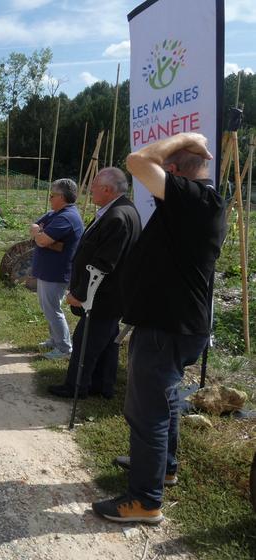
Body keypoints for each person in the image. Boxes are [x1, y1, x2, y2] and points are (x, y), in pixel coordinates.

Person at [92, 132, 227, 524]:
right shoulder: (198, 203)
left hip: (166, 326)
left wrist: (187, 137)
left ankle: (145, 500)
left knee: (146, 412)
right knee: (164, 401)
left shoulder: (194, 198)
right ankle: (164, 466)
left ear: (171, 172)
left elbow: (136, 161)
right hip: (176, 323)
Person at [47, 168, 141, 399]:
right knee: (107, 340)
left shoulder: (118, 217)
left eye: (94, 188)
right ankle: (102, 384)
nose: (90, 192)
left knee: (86, 341)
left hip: (103, 297)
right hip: (112, 296)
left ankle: (76, 386)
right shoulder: (120, 210)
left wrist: (80, 294)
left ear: (107, 189)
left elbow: (102, 264)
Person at [29, 179, 84, 359]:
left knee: (53, 309)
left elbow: (42, 239)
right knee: (48, 308)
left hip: (56, 272)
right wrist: (41, 235)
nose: (50, 198)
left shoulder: (66, 217)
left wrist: (41, 236)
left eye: (52, 195)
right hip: (48, 271)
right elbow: (35, 228)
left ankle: (64, 348)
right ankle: (55, 339)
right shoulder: (55, 214)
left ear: (62, 197)